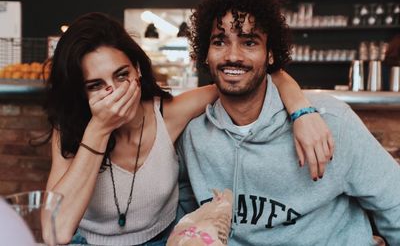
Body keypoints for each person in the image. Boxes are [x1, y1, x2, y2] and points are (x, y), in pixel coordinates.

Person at [43, 12, 333, 245]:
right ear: (82, 93)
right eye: (96, 86)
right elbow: (55, 233)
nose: (115, 93)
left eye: (122, 76)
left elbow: (245, 79)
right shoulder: (72, 128)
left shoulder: (168, 114)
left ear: (138, 71)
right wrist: (99, 130)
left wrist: (302, 110)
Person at [177, 0, 400, 245]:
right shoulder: (193, 134)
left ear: (270, 54)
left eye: (249, 42)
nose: (233, 56)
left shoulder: (331, 121)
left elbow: (395, 204)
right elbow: (182, 207)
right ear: (205, 53)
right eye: (219, 42)